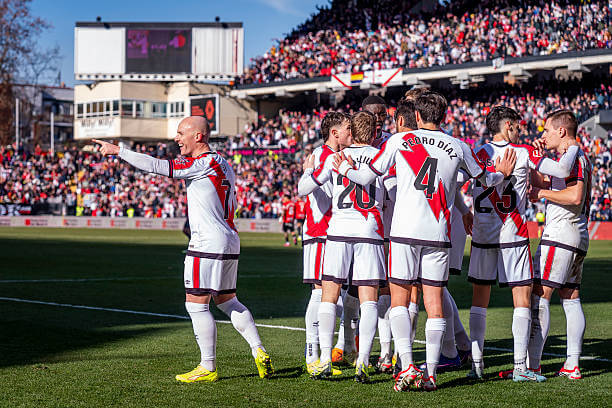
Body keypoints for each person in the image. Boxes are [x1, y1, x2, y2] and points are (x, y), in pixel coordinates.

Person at [334, 91, 516, 391]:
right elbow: (485, 179)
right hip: (438, 235)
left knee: (400, 301)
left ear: (416, 116)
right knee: (434, 304)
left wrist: (343, 167)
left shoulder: (399, 141)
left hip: (404, 232)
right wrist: (503, 174)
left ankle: (406, 366)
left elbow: (367, 177)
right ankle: (430, 374)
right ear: (443, 116)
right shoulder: (458, 146)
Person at [92, 116, 273, 383]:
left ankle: (207, 366)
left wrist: (119, 151)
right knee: (227, 300)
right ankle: (259, 351)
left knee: (196, 304)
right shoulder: (222, 162)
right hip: (229, 238)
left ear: (198, 136)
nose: (177, 139)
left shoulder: (202, 163)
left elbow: (157, 166)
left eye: (181, 133)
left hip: (207, 242)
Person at [299, 111, 387, 383]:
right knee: (369, 298)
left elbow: (303, 188)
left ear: (353, 132)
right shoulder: (382, 157)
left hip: (337, 232)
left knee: (329, 295)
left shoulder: (336, 159)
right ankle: (363, 360)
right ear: (373, 133)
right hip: (369, 231)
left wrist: (310, 171)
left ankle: (325, 357)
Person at [527, 110, 591, 380]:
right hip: (575, 234)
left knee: (540, 295)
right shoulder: (570, 157)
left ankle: (532, 365)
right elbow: (538, 182)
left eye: (547, 131)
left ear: (561, 131)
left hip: (561, 234)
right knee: (571, 297)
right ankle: (572, 364)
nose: (544, 135)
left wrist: (541, 192)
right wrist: (535, 160)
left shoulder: (574, 155)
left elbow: (575, 195)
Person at [300, 111, 352, 375]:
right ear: (335, 133)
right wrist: (312, 173)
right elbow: (304, 187)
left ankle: (334, 350)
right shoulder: (324, 156)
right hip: (321, 231)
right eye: (347, 129)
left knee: (335, 296)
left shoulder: (329, 155)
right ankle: (313, 356)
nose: (351, 133)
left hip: (329, 232)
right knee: (321, 294)